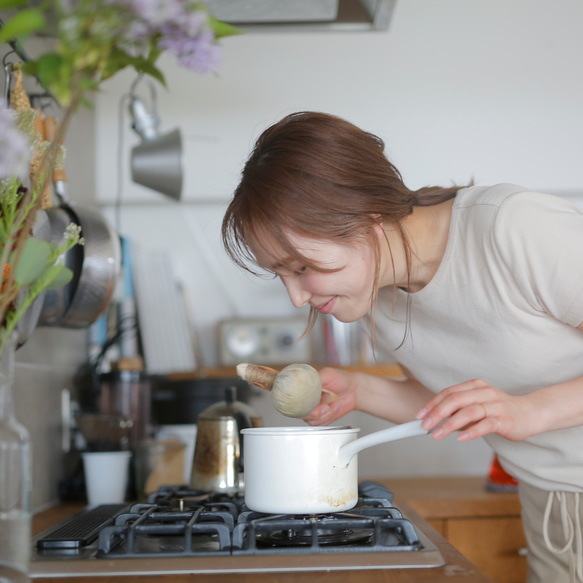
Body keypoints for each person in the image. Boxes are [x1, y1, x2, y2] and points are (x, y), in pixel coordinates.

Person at [221, 111, 583, 583]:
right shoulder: (378, 292)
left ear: (367, 221)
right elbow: (449, 403)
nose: (296, 296)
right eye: (281, 274)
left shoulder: (512, 228)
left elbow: (515, 407)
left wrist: (530, 411)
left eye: (301, 266)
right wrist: (358, 390)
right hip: (552, 501)